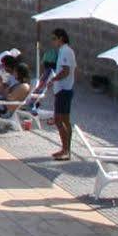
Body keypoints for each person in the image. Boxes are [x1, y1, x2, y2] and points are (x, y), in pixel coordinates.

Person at [35, 25, 78, 160]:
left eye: (54, 39)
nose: (52, 41)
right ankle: (65, 149)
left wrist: (53, 79)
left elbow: (66, 71)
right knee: (64, 120)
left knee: (60, 121)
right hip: (64, 89)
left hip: (64, 90)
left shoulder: (65, 51)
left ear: (61, 38)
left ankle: (66, 150)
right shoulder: (64, 51)